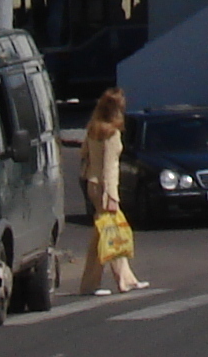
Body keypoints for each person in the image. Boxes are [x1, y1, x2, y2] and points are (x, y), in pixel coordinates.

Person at [77, 89, 144, 295]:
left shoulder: (93, 129)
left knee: (107, 233)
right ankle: (98, 284)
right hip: (106, 188)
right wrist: (112, 195)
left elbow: (84, 156)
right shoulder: (112, 134)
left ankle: (122, 279)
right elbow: (109, 166)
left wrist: (88, 179)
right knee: (110, 234)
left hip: (93, 185)